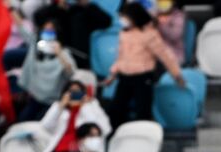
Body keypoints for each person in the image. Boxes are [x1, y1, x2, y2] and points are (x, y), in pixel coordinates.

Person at [104, 2, 185, 131]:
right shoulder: (124, 33)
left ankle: (145, 137)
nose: (123, 20)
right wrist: (112, 75)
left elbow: (164, 55)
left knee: (143, 111)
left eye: (126, 17)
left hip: (142, 78)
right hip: (124, 77)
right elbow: (120, 57)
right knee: (116, 110)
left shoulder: (149, 34)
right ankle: (115, 136)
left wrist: (177, 75)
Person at [31, 80, 111, 152]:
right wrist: (61, 106)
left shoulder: (92, 105)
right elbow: (45, 126)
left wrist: (85, 106)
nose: (74, 95)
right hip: (58, 151)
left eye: (77, 92)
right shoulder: (58, 106)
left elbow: (102, 129)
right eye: (71, 92)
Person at [13, 16, 76, 121]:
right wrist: (10, 8)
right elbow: (22, 28)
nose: (47, 33)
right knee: (22, 119)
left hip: (50, 102)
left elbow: (71, 72)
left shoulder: (64, 54)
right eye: (45, 29)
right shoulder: (37, 46)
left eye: (51, 30)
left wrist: (60, 53)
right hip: (35, 98)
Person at [33, 0, 111, 68]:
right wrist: (57, 6)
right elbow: (38, 17)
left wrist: (87, 4)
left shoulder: (85, 11)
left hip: (79, 61)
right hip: (57, 61)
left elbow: (107, 21)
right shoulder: (57, 12)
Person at [156, 0, 186, 65]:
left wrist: (162, 25)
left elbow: (174, 36)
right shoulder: (155, 14)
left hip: (174, 56)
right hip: (156, 58)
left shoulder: (178, 16)